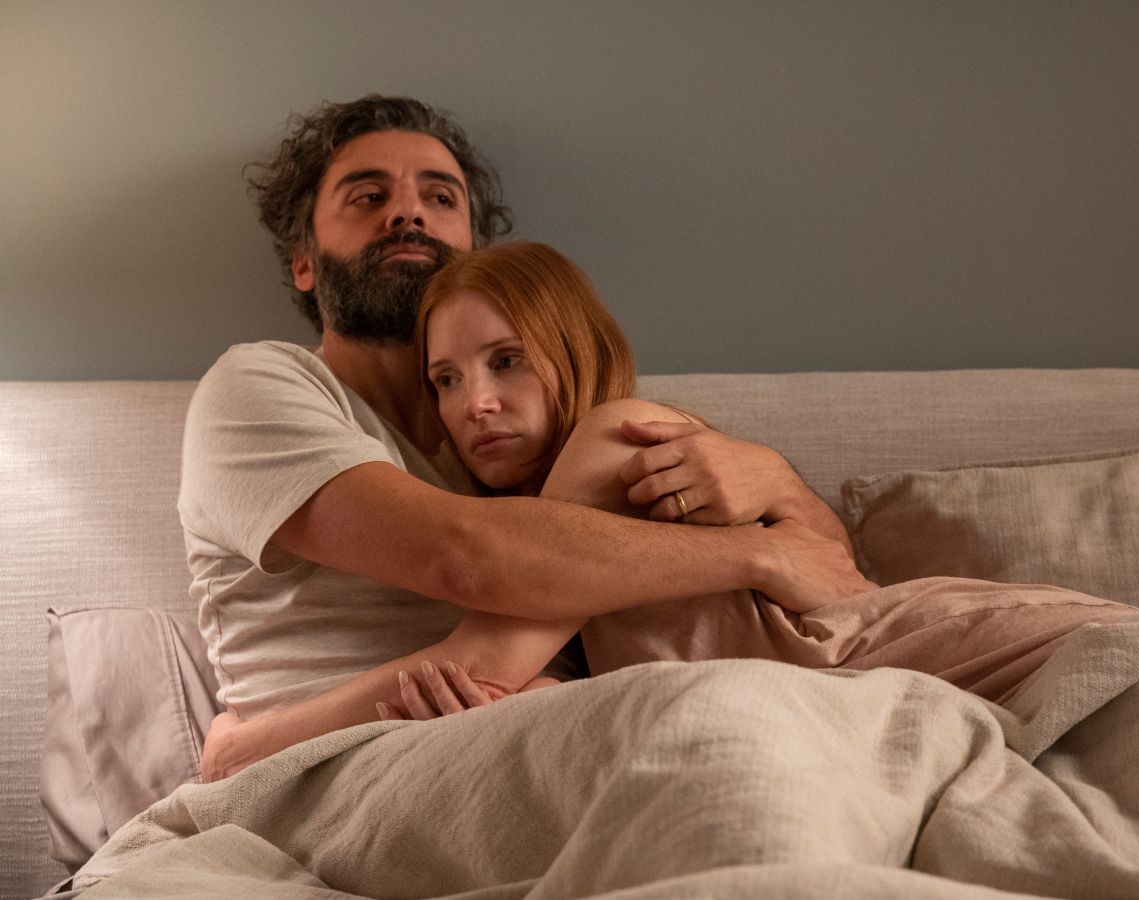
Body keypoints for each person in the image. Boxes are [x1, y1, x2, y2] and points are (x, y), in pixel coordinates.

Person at [190, 95, 862, 780]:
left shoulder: (521, 440)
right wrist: (757, 555)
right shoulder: (259, 385)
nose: (408, 213)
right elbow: (466, 556)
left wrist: (779, 483)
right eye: (369, 196)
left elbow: (842, 585)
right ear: (304, 262)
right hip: (331, 774)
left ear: (472, 253)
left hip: (542, 739)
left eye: (440, 198)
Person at [380, 240, 1139, 720]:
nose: (475, 404)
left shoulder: (619, 438)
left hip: (945, 651)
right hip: (849, 705)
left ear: (575, 350)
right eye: (446, 379)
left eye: (507, 361)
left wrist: (291, 730)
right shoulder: (542, 562)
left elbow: (490, 658)